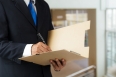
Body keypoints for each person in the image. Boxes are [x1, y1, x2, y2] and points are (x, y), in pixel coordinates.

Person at [0, 0, 66, 77]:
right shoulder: (2, 3)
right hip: (17, 73)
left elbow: (49, 38)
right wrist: (29, 49)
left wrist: (56, 60)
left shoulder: (44, 5)